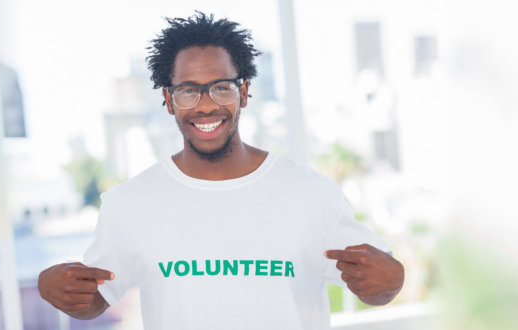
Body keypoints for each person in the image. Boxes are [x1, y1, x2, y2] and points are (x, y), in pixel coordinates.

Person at [36, 12, 404, 329]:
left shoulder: (313, 194)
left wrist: (391, 281)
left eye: (221, 88)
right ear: (168, 100)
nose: (206, 106)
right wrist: (58, 289)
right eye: (188, 91)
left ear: (244, 92)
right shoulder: (128, 204)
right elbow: (95, 298)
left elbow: (376, 289)